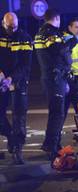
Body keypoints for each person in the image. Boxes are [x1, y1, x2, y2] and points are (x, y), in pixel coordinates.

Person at [34, 9, 78, 159]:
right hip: (55, 78)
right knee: (57, 114)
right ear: (57, 18)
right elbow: (59, 50)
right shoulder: (50, 33)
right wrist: (73, 40)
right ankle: (51, 146)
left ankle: (52, 144)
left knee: (56, 113)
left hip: (53, 77)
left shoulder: (41, 32)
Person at [0, 12, 33, 164]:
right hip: (1, 80)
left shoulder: (24, 38)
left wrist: (11, 78)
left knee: (19, 116)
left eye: (15, 27)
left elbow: (25, 65)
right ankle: (11, 137)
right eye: (9, 27)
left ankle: (17, 150)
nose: (12, 30)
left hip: (18, 81)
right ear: (3, 23)